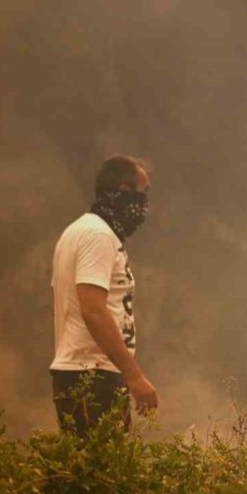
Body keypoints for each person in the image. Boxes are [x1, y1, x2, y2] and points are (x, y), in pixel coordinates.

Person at [50, 155, 158, 435]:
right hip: (92, 374)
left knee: (88, 461)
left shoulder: (82, 231)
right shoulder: (98, 235)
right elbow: (93, 310)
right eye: (142, 193)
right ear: (124, 191)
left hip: (89, 372)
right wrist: (134, 375)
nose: (144, 205)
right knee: (101, 462)